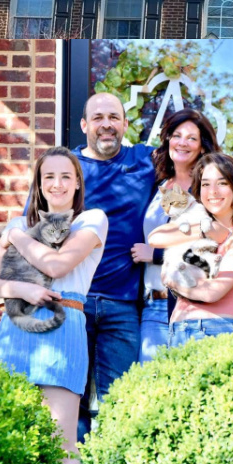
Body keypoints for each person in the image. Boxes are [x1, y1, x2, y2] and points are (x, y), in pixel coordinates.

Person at [0, 146, 108, 464]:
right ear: (38, 183)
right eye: (49, 176)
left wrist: (15, 238)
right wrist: (21, 290)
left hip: (63, 325)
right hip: (15, 329)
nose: (57, 184)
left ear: (78, 183)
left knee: (60, 443)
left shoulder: (91, 220)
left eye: (66, 176)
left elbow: (57, 265)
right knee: (7, 437)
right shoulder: (20, 223)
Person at [73, 92, 157, 439]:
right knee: (68, 400)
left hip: (123, 305)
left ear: (125, 124)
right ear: (84, 125)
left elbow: (188, 189)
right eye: (97, 118)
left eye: (113, 117)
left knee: (119, 403)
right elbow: (34, 223)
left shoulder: (146, 161)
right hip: (72, 302)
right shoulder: (65, 169)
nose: (106, 124)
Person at [148, 152, 233, 347]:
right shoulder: (197, 225)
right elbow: (155, 237)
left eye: (222, 183)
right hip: (178, 331)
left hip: (217, 331)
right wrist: (206, 232)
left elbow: (212, 293)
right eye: (205, 184)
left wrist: (173, 282)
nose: (213, 191)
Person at [132, 108, 219, 362]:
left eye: (192, 138)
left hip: (192, 305)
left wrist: (156, 254)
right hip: (153, 305)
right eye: (177, 135)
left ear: (202, 147)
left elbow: (214, 241)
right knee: (150, 386)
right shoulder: (158, 186)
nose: (183, 142)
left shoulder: (209, 187)